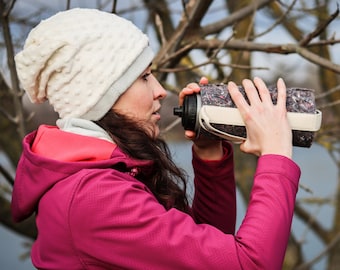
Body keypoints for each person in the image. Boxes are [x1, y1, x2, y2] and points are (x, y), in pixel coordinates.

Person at [11, 8, 300, 270]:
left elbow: (206, 253)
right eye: (145, 76)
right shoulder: (94, 197)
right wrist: (276, 155)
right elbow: (250, 264)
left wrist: (209, 154)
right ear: (102, 95)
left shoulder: (104, 176)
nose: (161, 90)